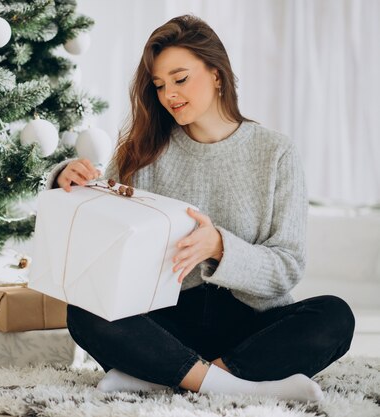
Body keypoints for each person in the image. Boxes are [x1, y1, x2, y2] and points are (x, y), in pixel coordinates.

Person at [47, 14, 354, 402]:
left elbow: (287, 269)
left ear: (217, 75)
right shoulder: (144, 151)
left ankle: (166, 377)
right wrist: (67, 179)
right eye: (159, 85)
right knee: (84, 310)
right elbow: (105, 221)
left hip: (251, 324)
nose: (168, 94)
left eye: (180, 79)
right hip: (166, 320)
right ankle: (235, 387)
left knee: (335, 316)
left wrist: (219, 248)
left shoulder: (276, 153)